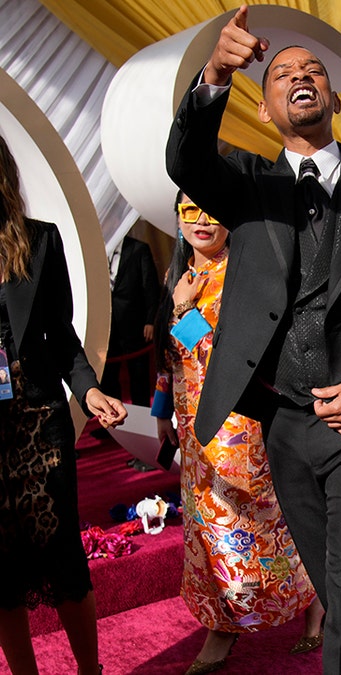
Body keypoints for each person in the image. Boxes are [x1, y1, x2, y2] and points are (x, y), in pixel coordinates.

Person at [164, 6, 341, 673]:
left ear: (331, 98)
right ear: (264, 110)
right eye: (283, 73)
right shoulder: (245, 188)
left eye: (314, 71)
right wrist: (214, 72)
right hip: (287, 430)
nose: (301, 76)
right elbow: (184, 158)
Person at [150, 193, 324, 674]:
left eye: (213, 209)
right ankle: (225, 620)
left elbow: (231, 356)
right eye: (189, 210)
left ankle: (299, 604)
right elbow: (172, 358)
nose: (202, 221)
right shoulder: (180, 273)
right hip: (191, 425)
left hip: (237, 422)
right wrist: (162, 408)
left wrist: (185, 315)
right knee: (204, 529)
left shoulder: (243, 272)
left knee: (251, 522)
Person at [0, 133, 127, 674]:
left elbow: (62, 337)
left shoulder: (41, 242)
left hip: (38, 423)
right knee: (0, 570)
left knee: (64, 558)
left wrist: (90, 389)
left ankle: (90, 672)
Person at [99, 234, 160, 406]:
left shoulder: (138, 248)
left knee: (138, 373)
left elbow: (150, 286)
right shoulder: (96, 249)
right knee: (109, 376)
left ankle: (141, 420)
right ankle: (113, 423)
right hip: (107, 326)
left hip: (135, 322)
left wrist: (150, 320)